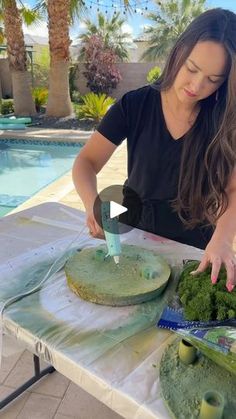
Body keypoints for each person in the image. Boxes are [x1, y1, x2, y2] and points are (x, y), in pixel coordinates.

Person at [72, 8, 236, 291]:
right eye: (192, 69)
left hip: (194, 250)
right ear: (179, 52)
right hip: (133, 238)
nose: (197, 86)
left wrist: (222, 239)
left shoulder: (224, 120)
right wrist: (92, 205)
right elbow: (86, 162)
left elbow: (232, 190)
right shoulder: (135, 105)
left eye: (213, 80)